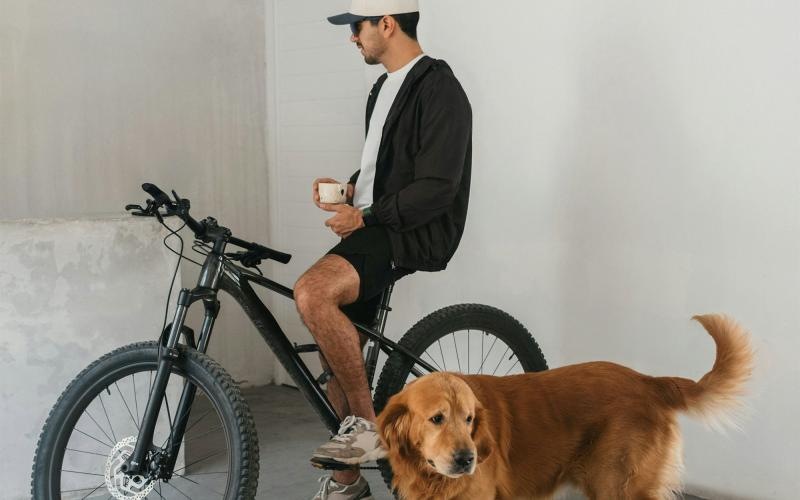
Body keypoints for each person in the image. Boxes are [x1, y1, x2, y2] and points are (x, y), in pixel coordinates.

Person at [293, 0, 472, 498]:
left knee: (312, 292)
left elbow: (437, 186)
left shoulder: (439, 87)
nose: (352, 37)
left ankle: (368, 425)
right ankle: (347, 481)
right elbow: (386, 168)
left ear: (387, 24)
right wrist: (350, 190)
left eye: (357, 27)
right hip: (380, 223)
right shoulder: (383, 87)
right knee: (336, 345)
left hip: (413, 229)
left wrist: (367, 217)